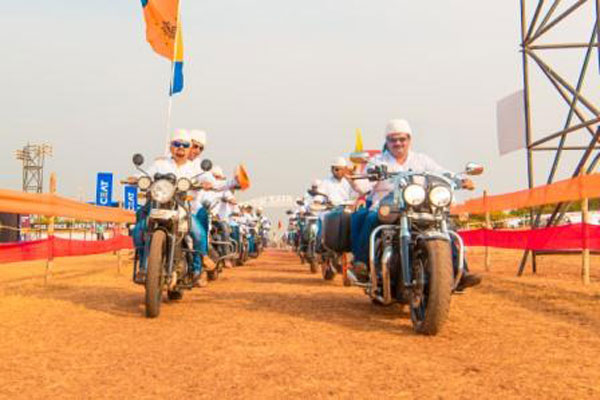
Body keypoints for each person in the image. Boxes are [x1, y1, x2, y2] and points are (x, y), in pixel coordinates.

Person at [350, 119, 481, 291]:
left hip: (418, 206)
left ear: (409, 139)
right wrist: (353, 178)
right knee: (371, 218)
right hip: (387, 206)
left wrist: (461, 179)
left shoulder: (421, 160)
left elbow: (442, 172)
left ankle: (461, 271)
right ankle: (361, 264)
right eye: (393, 139)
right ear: (387, 142)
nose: (398, 143)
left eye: (402, 139)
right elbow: (363, 186)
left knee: (446, 226)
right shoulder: (377, 162)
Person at [131, 129, 206, 284]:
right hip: (157, 206)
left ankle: (197, 268)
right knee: (138, 231)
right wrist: (136, 178)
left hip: (181, 209)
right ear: (171, 146)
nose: (181, 148)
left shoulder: (194, 169)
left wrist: (206, 184)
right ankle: (143, 266)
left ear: (189, 148)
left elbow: (205, 180)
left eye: (185, 145)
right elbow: (146, 175)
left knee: (199, 234)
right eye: (177, 144)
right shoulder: (160, 164)